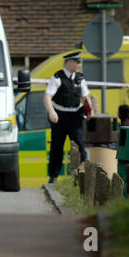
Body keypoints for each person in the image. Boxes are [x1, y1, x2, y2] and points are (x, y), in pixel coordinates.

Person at [43, 51, 94, 183]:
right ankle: (53, 177)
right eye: (77, 62)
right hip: (59, 117)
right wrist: (51, 112)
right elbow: (47, 97)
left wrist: (90, 111)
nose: (79, 65)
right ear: (69, 62)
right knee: (57, 147)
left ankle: (81, 175)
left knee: (79, 145)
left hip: (75, 116)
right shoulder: (57, 78)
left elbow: (85, 97)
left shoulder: (80, 78)